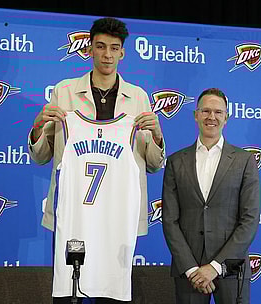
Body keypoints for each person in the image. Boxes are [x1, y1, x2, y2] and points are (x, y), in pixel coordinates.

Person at [28, 17, 165, 303]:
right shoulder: (64, 92)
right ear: (89, 49)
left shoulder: (138, 97)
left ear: (122, 53)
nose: (107, 54)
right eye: (100, 47)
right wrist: (38, 126)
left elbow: (153, 163)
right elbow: (42, 156)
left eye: (114, 48)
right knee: (68, 292)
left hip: (118, 213)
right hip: (73, 210)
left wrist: (158, 136)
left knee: (112, 294)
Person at [162, 88, 260, 304]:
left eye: (218, 112)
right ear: (196, 115)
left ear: (226, 117)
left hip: (231, 269)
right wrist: (191, 269)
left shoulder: (245, 161)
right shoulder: (176, 161)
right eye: (205, 111)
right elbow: (169, 220)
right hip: (189, 272)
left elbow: (249, 220)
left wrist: (215, 267)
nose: (211, 117)